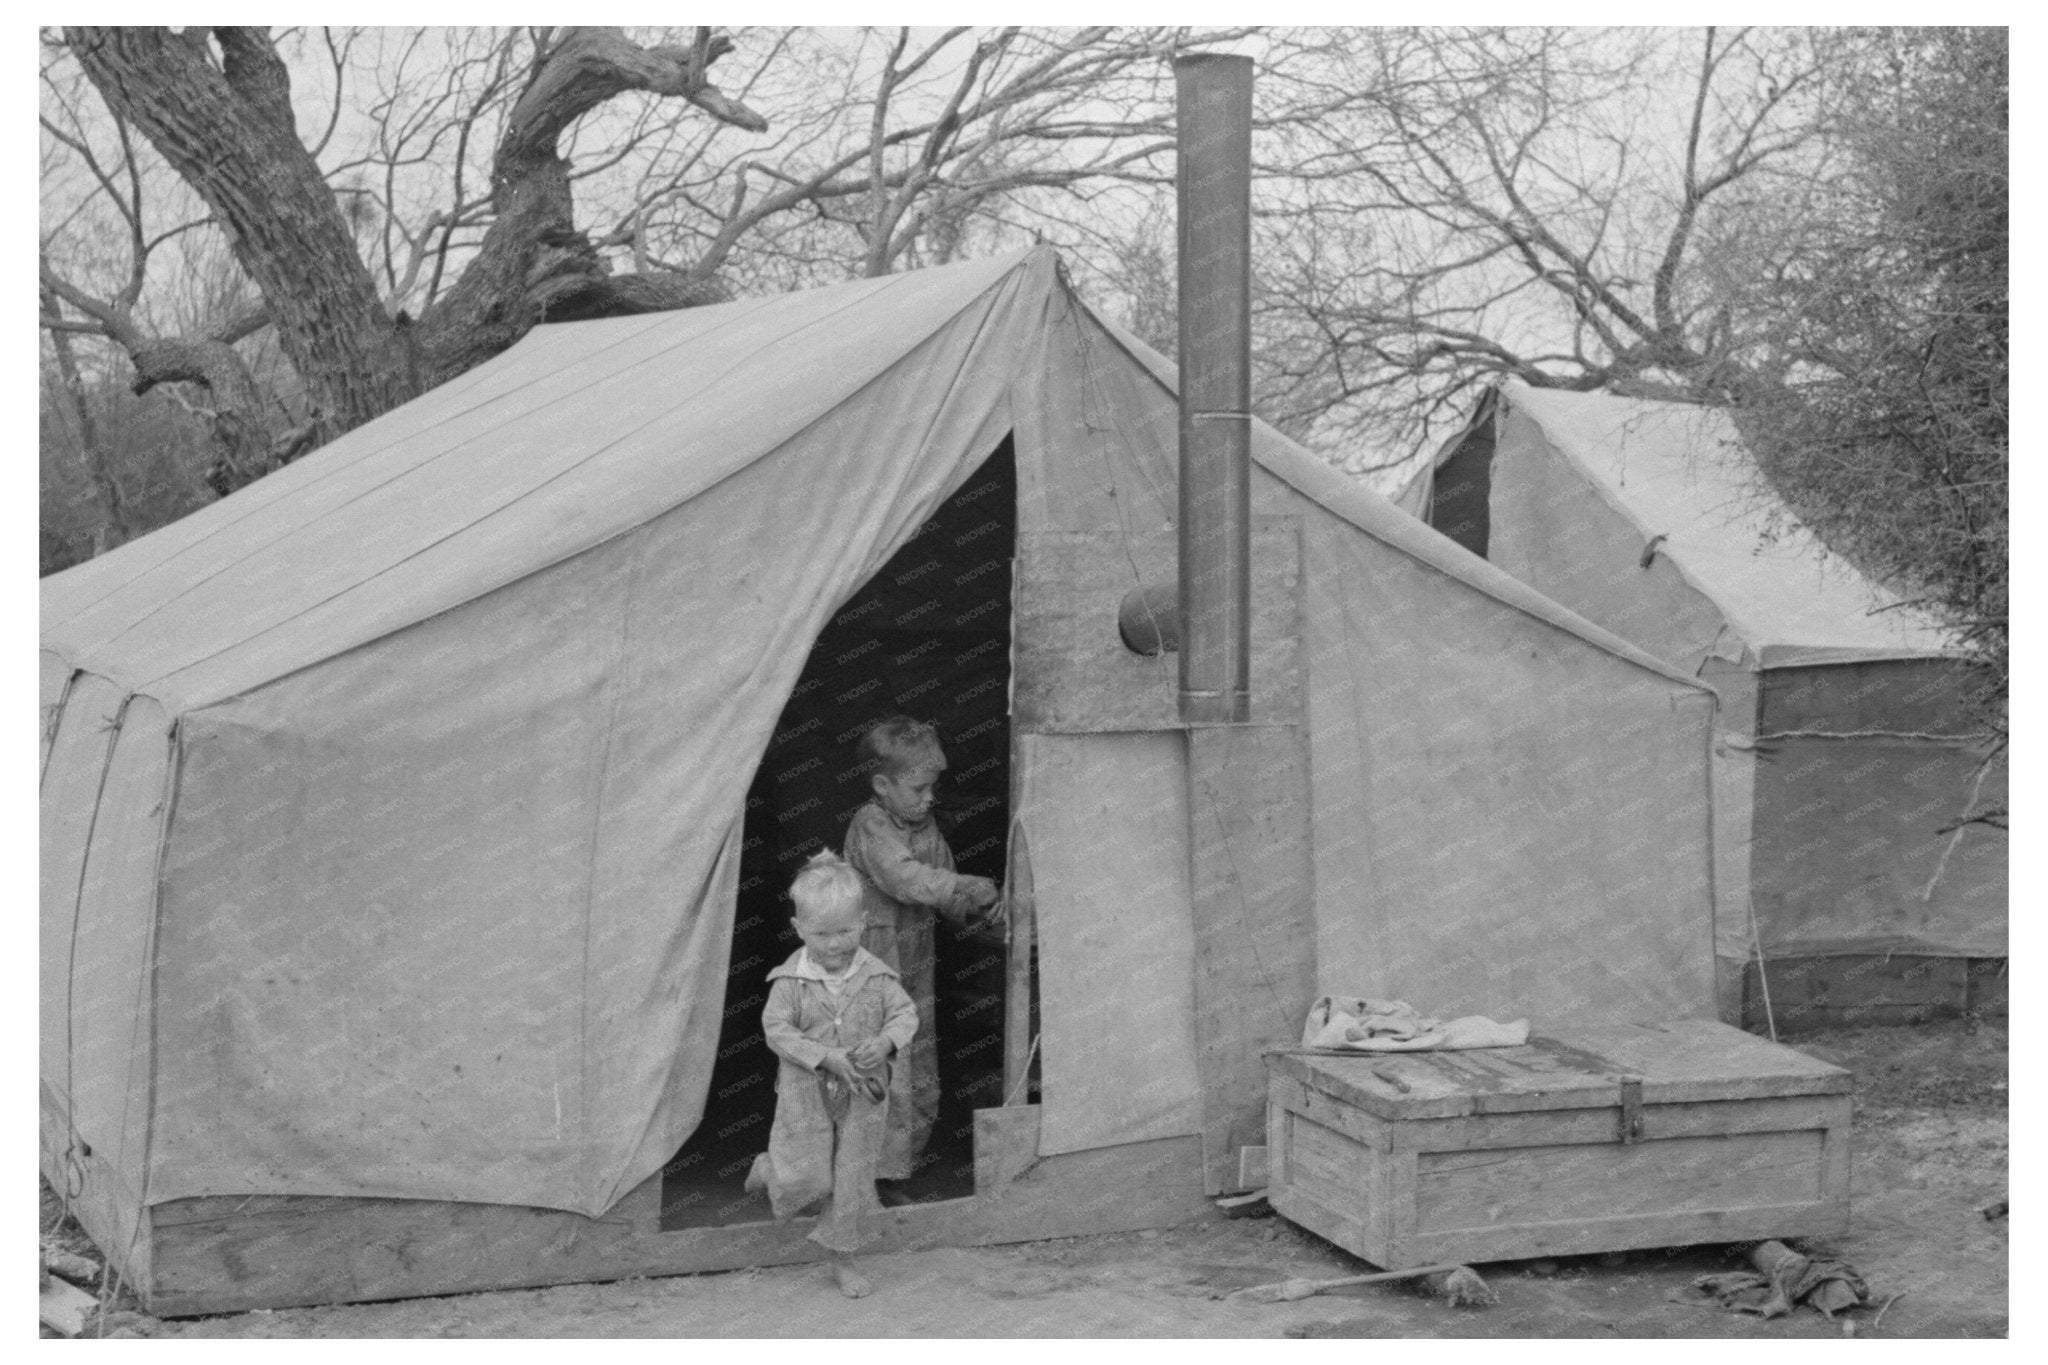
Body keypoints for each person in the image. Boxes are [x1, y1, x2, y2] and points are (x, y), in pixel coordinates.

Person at [841, 716, 1002, 1202]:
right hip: (872, 969)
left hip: (915, 969)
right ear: (882, 785)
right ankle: (863, 1176)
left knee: (918, 1065)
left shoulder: (926, 826)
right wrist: (964, 886)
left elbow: (943, 886)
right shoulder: (870, 824)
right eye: (920, 787)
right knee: (878, 1067)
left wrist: (979, 908)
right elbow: (907, 879)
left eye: (935, 786)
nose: (930, 797)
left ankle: (896, 1171)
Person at [746, 851, 918, 1298]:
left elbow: (905, 1014)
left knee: (851, 1177)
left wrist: (884, 1042)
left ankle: (844, 1258)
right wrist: (824, 1056)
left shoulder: (879, 978)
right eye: (821, 934)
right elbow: (776, 1030)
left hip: (862, 1094)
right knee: (808, 1175)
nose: (835, 944)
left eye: (845, 931)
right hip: (806, 1092)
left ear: (862, 922)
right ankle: (771, 1171)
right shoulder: (789, 983)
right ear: (799, 928)